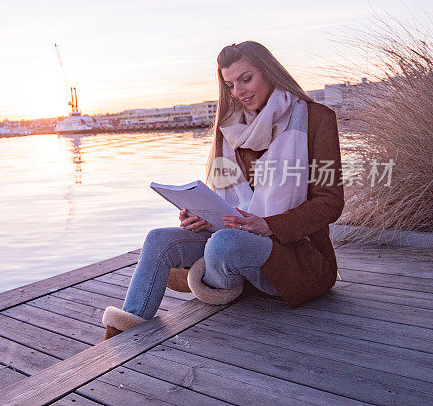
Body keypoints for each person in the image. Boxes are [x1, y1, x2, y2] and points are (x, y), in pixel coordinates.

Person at [101, 41, 344, 341]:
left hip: (292, 255)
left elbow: (330, 203)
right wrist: (199, 217)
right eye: (230, 84)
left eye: (246, 78)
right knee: (158, 239)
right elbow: (225, 205)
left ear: (269, 72)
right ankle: (121, 337)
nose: (239, 91)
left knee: (224, 244)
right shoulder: (229, 131)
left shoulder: (315, 118)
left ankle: (215, 284)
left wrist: (266, 225)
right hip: (230, 243)